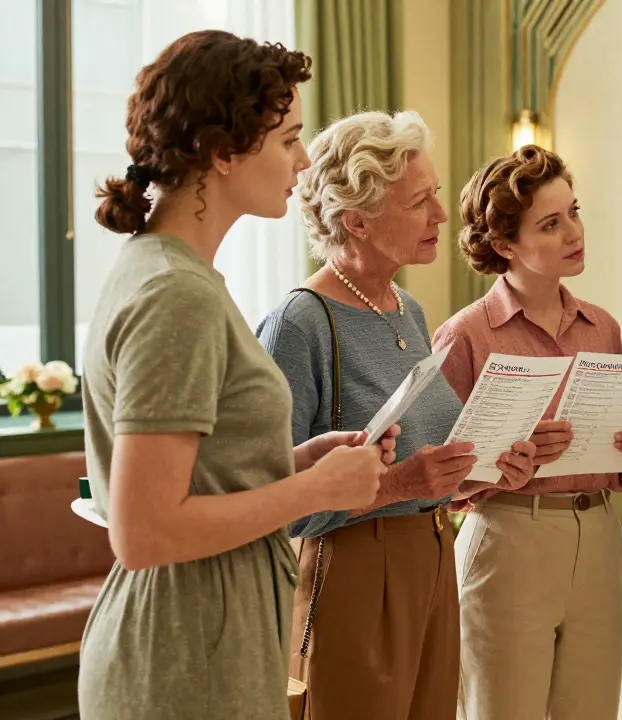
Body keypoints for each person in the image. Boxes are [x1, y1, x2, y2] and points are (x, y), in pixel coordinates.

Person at [79, 30, 396, 720]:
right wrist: (313, 488)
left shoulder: (174, 276)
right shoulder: (176, 293)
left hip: (204, 640)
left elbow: (190, 479)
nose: (304, 158)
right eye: (287, 137)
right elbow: (143, 532)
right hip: (182, 656)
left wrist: (290, 464)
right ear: (223, 152)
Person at [256, 110, 537, 720]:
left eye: (434, 195)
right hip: (352, 572)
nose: (440, 215)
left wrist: (483, 472)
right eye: (420, 202)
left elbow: (430, 461)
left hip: (435, 558)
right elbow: (271, 503)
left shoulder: (406, 308)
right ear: (356, 220)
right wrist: (400, 486)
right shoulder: (298, 325)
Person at [433, 145, 622, 720]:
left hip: (601, 536)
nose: (574, 232)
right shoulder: (465, 336)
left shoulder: (602, 327)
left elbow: (614, 459)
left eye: (574, 213)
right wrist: (508, 463)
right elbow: (440, 480)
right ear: (505, 244)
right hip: (508, 540)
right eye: (551, 223)